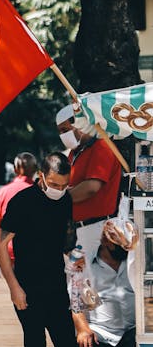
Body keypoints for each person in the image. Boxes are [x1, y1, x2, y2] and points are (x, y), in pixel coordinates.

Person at [0, 152, 101, 347]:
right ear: (41, 176)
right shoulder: (22, 201)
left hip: (56, 285)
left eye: (64, 184)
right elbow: (0, 244)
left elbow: (65, 239)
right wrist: (13, 287)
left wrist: (75, 258)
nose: (59, 189)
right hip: (27, 288)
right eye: (54, 183)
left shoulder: (65, 200)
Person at [72, 221, 136, 347]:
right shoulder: (86, 265)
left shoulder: (135, 261)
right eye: (121, 247)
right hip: (102, 329)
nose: (125, 251)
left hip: (133, 328)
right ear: (107, 243)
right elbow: (76, 302)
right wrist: (83, 329)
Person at [56, 104, 122, 255]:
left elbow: (91, 187)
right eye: (60, 132)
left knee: (92, 278)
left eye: (65, 130)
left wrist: (60, 199)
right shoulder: (75, 153)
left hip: (96, 228)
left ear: (80, 124)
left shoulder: (102, 146)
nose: (63, 135)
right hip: (80, 229)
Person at [0, 152, 37, 251]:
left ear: (15, 169)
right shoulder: (41, 193)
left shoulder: (4, 191)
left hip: (7, 250)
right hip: (33, 250)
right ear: (35, 170)